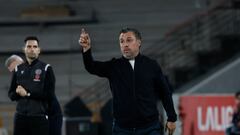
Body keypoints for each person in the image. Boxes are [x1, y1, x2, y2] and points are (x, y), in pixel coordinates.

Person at [79, 28, 177, 135]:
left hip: (150, 128)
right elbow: (91, 66)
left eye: (129, 40)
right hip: (122, 129)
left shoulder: (152, 65)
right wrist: (86, 49)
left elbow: (165, 93)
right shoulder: (114, 66)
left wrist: (171, 118)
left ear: (139, 42)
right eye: (122, 41)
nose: (125, 44)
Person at [8, 36, 59, 135]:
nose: (32, 49)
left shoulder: (46, 68)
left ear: (39, 50)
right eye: (29, 46)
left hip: (39, 118)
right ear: (24, 49)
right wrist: (18, 93)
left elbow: (50, 95)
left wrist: (27, 94)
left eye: (35, 47)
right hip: (20, 118)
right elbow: (11, 95)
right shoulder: (17, 69)